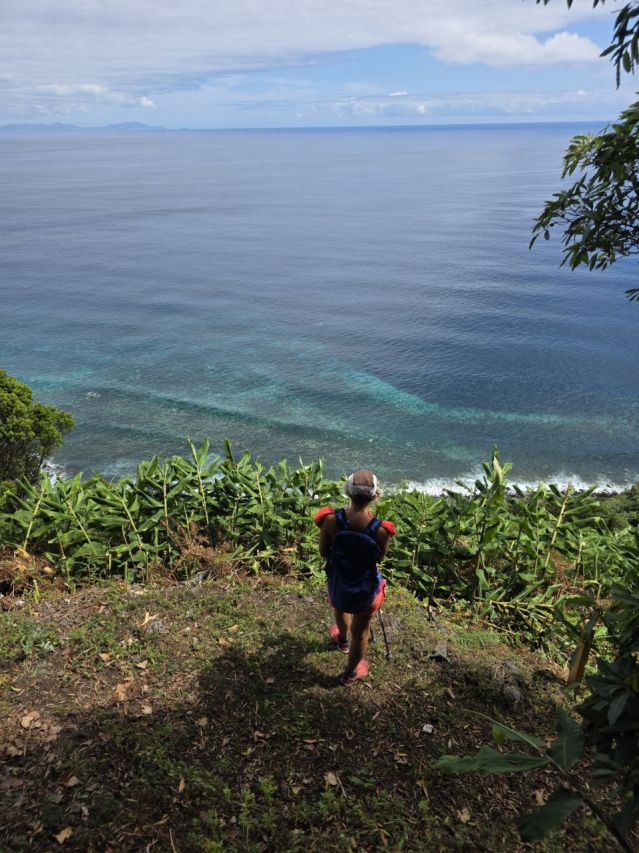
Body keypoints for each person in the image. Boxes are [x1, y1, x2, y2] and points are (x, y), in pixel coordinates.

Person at [314, 468, 396, 686]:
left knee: (340, 607)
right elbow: (378, 558)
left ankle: (342, 640)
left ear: (348, 492)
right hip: (366, 589)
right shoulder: (381, 531)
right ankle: (350, 673)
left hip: (339, 582)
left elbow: (324, 552)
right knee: (360, 633)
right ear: (375, 495)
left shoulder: (331, 520)